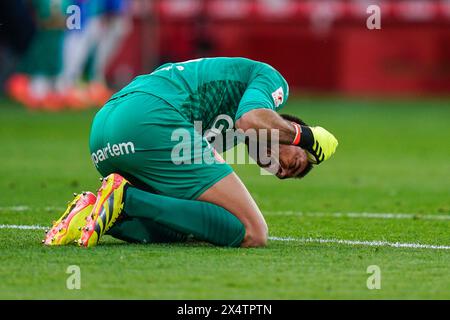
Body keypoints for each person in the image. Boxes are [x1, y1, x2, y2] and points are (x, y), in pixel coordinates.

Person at [43, 57, 338, 248]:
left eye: (287, 175)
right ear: (284, 124)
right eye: (296, 161)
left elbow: (211, 214)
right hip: (149, 119)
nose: (283, 170)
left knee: (187, 224)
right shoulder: (269, 80)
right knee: (255, 232)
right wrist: (308, 137)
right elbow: (252, 119)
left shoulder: (220, 128)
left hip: (105, 130)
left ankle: (93, 210)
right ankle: (127, 199)